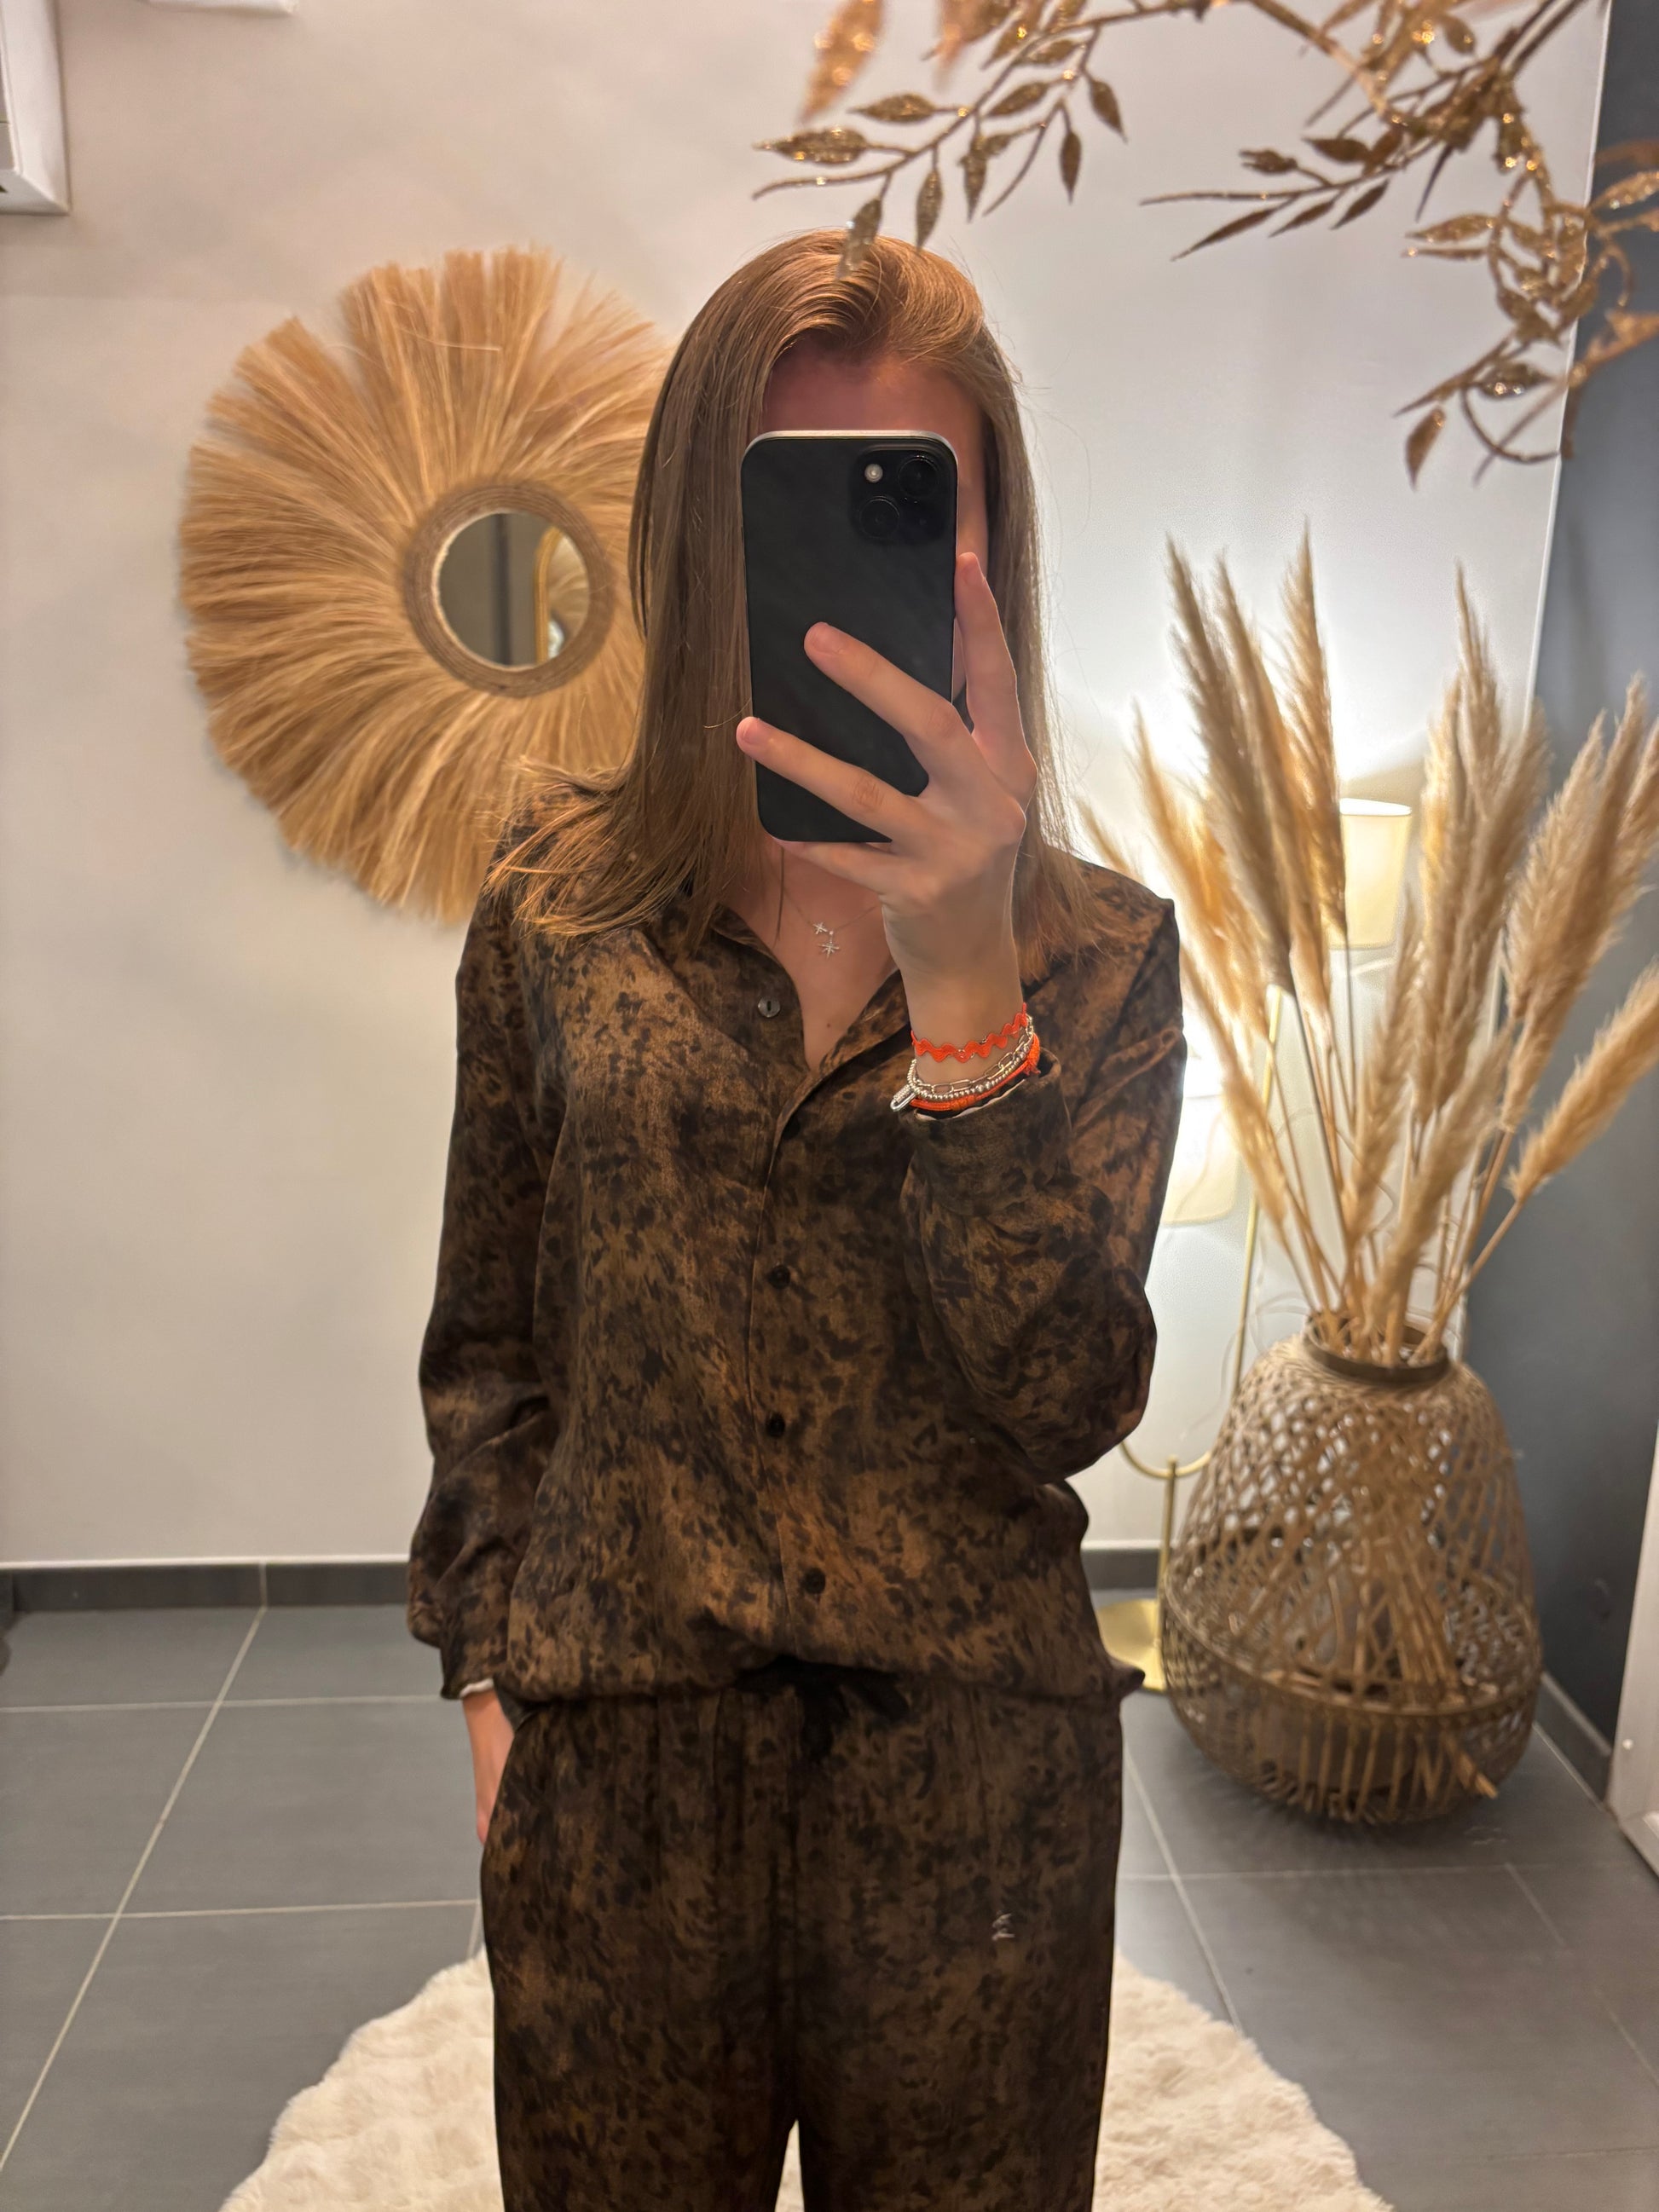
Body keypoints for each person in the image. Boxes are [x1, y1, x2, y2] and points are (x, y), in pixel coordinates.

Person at [407, 229, 1185, 2212]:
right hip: (624, 1784)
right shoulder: (557, 909)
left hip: (974, 1810)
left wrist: (965, 982)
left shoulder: (1096, 956)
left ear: (991, 551)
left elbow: (1069, 1396)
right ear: (695, 538)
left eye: (909, 504)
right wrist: (495, 1687)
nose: (846, 573)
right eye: (787, 501)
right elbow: (490, 1347)